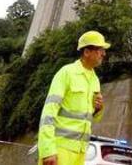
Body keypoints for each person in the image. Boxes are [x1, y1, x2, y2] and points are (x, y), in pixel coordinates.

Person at [38, 31, 109, 165]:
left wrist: (98, 109)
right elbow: (48, 113)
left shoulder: (95, 80)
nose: (104, 54)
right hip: (59, 150)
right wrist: (48, 149)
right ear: (87, 52)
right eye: (100, 50)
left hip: (80, 152)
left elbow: (91, 117)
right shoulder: (66, 73)